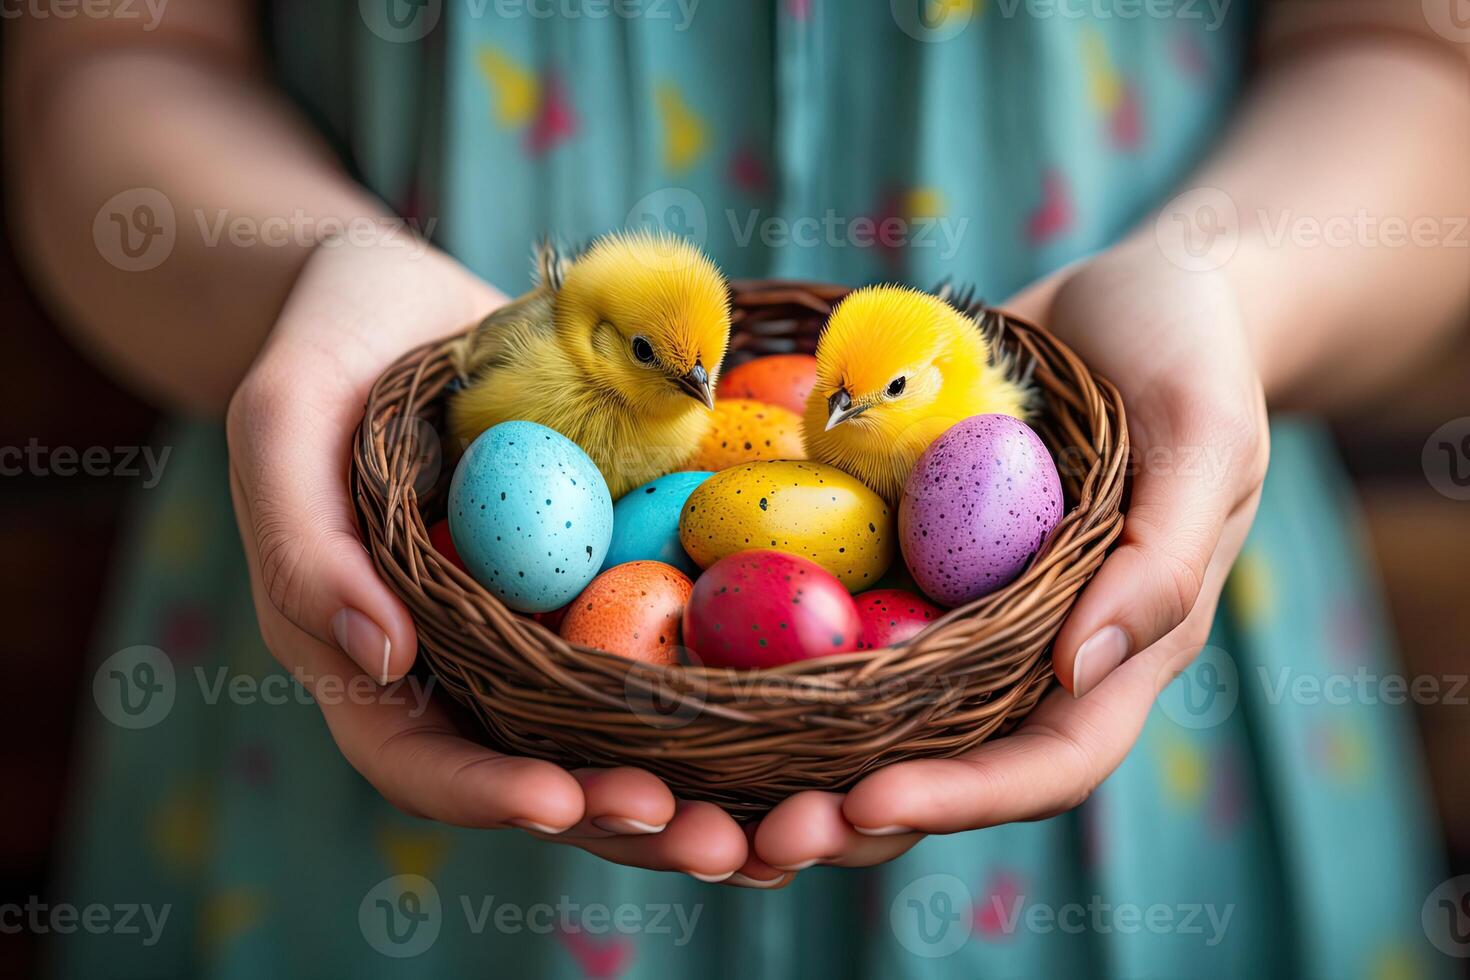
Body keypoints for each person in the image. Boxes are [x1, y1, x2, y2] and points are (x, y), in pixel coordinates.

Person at [9, 1, 1467, 976]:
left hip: (1137, 641)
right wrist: (305, 291)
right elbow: (110, 49)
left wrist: (1225, 289)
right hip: (360, 597)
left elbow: (1405, 53)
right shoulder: (595, 422)